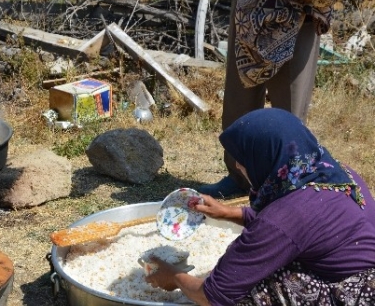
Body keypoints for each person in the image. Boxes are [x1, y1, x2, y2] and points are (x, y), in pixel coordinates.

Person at [146, 108, 375, 305]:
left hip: (358, 296)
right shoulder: (335, 172)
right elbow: (303, 229)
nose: (237, 165)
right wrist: (229, 213)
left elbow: (212, 296)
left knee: (253, 290)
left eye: (243, 158)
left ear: (265, 158)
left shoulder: (286, 215)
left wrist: (173, 276)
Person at [198, 0, 341, 198]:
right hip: (250, 8)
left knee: (290, 112)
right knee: (239, 102)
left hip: (299, 10)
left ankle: (287, 186)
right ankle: (239, 179)